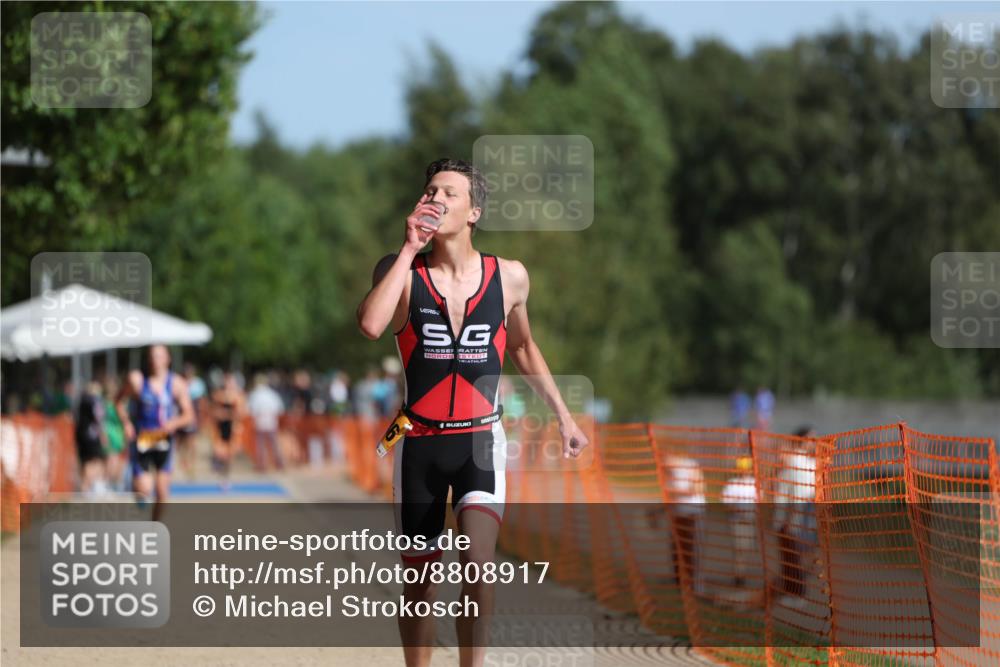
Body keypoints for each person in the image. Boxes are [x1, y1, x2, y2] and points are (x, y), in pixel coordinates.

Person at [357, 157, 589, 667]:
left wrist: (564, 417)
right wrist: (408, 249)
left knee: (479, 565)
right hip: (418, 443)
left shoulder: (510, 277)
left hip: (481, 440)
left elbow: (525, 349)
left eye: (450, 193)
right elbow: (372, 325)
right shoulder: (401, 271)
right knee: (418, 580)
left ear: (474, 211)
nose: (436, 199)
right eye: (429, 191)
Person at [117, 345, 194, 521]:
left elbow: (189, 415)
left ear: (168, 359)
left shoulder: (176, 384)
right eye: (152, 356)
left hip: (163, 440)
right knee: (145, 490)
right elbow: (118, 401)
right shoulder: (137, 380)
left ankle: (155, 525)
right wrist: (126, 423)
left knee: (162, 492)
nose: (155, 360)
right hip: (142, 439)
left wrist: (174, 423)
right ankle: (137, 487)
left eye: (159, 356)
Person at [774, 425, 818, 606]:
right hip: (794, 512)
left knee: (794, 556)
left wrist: (788, 519)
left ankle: (796, 593)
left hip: (798, 513)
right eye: (811, 439)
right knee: (792, 556)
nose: (814, 444)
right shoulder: (796, 461)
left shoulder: (803, 462)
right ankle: (793, 591)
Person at [722, 456, 758, 589]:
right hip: (737, 522)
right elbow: (727, 503)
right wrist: (738, 511)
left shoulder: (755, 484)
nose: (745, 472)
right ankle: (739, 575)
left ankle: (741, 572)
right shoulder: (732, 483)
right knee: (739, 549)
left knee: (746, 549)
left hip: (750, 522)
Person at [210, 371, 246, 490]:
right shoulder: (218, 395)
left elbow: (240, 413)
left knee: (229, 456)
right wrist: (225, 414)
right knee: (220, 453)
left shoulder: (239, 396)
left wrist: (228, 414)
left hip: (233, 430)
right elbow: (215, 412)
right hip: (220, 430)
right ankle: (219, 468)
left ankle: (225, 478)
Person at [75, 380, 108, 495]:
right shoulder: (94, 401)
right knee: (94, 460)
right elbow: (98, 418)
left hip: (81, 435)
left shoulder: (82, 401)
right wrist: (103, 435)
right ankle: (91, 485)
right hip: (92, 436)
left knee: (85, 461)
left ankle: (85, 486)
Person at [247, 373, 285, 472]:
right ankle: (278, 463)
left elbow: (251, 409)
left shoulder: (255, 394)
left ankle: (262, 464)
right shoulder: (272, 394)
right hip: (271, 422)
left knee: (261, 444)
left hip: (260, 422)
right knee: (273, 444)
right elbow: (280, 408)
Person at [176, 362, 207, 479]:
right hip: (181, 417)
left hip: (192, 417)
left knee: (191, 443)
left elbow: (201, 402)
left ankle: (190, 466)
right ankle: (182, 463)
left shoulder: (198, 384)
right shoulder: (179, 382)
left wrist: (201, 418)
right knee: (179, 443)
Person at [102, 377, 127, 492]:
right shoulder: (110, 404)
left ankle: (114, 483)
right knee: (113, 459)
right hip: (113, 433)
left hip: (118, 433)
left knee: (117, 460)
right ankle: (108, 483)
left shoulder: (117, 403)